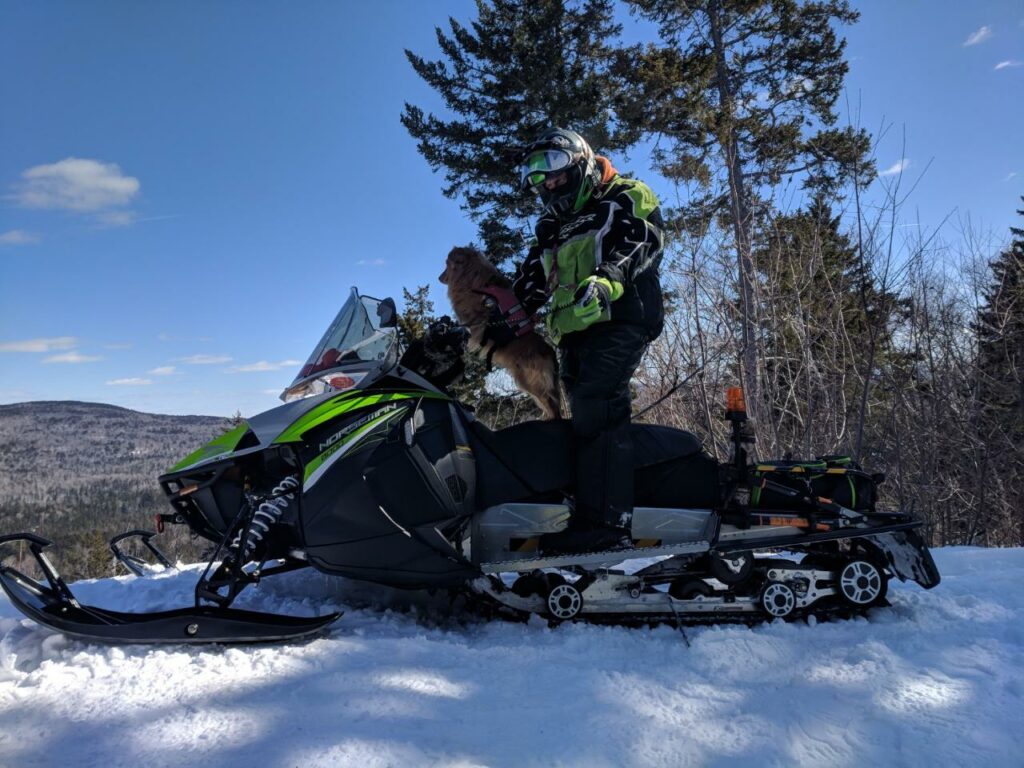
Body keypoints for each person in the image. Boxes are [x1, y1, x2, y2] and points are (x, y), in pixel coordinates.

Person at [506, 127, 665, 554]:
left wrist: (607, 278)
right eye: (539, 179)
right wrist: (495, 313)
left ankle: (608, 527)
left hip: (620, 316)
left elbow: (641, 241)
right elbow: (531, 281)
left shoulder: (626, 194)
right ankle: (582, 507)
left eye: (554, 169)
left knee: (599, 404)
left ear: (580, 159)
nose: (549, 182)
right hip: (573, 330)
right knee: (577, 419)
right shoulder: (552, 224)